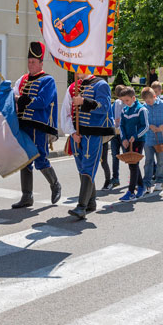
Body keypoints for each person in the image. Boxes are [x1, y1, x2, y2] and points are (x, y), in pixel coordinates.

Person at [11, 42, 61, 209]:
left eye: (34, 62)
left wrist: (21, 100)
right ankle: (27, 196)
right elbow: (15, 96)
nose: (31, 64)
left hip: (38, 126)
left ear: (41, 63)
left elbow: (42, 102)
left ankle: (55, 184)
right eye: (29, 61)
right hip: (23, 124)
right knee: (25, 160)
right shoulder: (24, 79)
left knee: (40, 158)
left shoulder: (47, 80)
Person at [65, 72, 114, 220]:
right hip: (77, 134)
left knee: (88, 167)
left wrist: (84, 101)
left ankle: (81, 207)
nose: (76, 70)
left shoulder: (101, 84)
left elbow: (104, 107)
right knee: (81, 168)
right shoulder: (77, 86)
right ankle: (91, 202)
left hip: (93, 134)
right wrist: (73, 132)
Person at [118, 87, 149, 201]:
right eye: (123, 101)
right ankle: (141, 186)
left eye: (127, 100)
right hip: (127, 141)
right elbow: (121, 126)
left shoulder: (141, 109)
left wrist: (135, 136)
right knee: (132, 164)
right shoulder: (124, 110)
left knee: (133, 165)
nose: (125, 103)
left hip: (138, 140)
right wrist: (124, 139)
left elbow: (145, 126)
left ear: (133, 98)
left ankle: (131, 191)